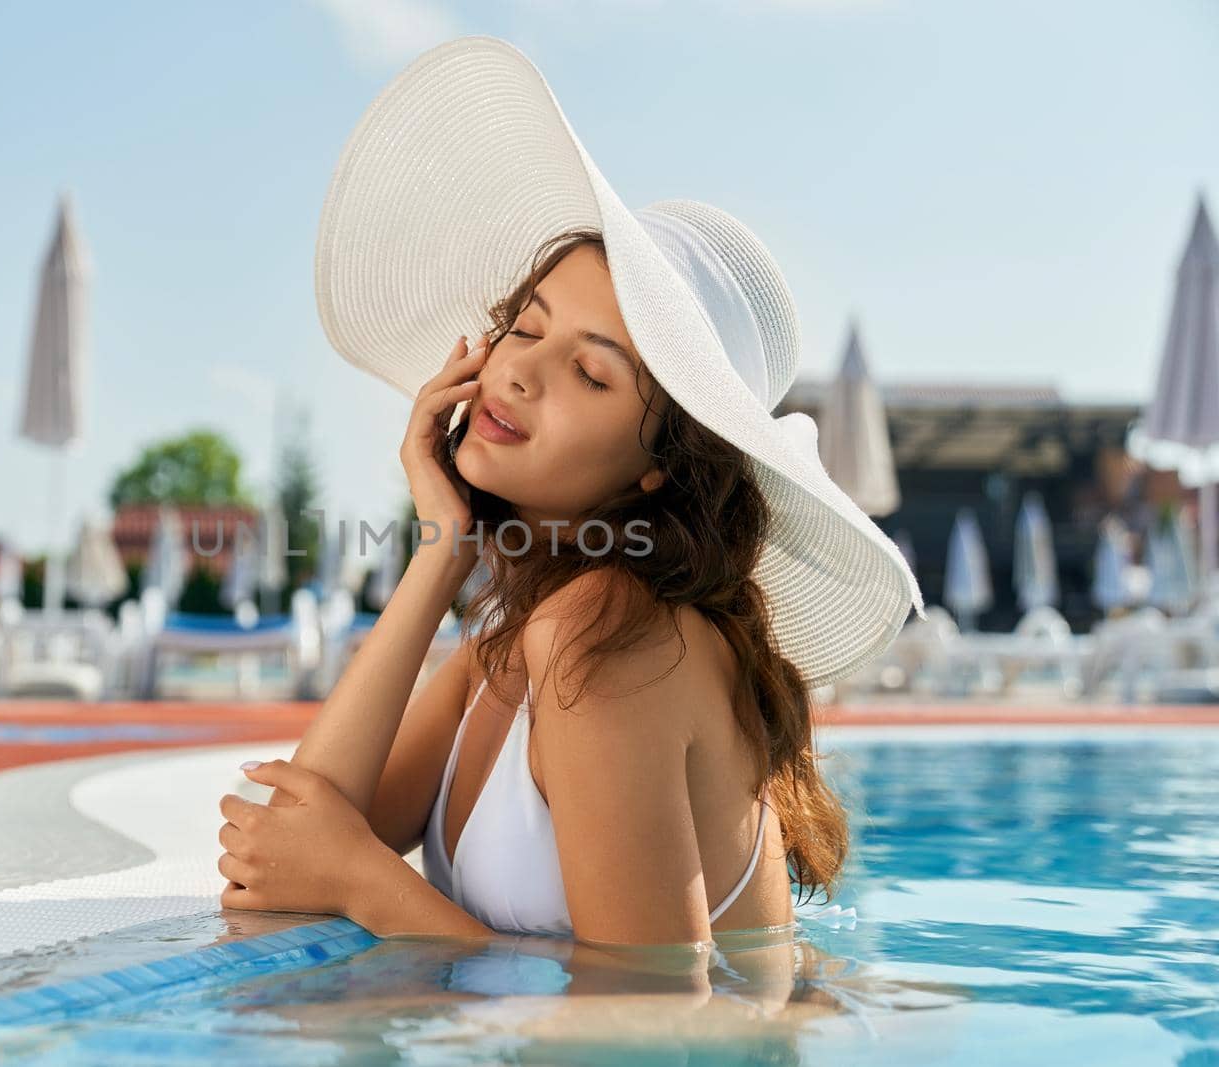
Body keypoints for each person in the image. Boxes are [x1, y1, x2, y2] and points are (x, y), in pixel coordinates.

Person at [215, 35, 922, 960]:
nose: (519, 373)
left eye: (590, 373)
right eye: (525, 327)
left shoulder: (611, 631)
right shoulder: (505, 647)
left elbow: (646, 1016)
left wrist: (364, 880)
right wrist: (442, 550)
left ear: (657, 465)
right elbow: (272, 866)